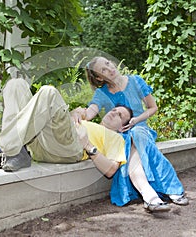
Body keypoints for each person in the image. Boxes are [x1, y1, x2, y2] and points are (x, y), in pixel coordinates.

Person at [0, 78, 172, 212]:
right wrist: (73, 114)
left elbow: (110, 170)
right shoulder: (87, 120)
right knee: (15, 85)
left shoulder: (116, 139)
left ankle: (3, 149)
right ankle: (17, 151)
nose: (113, 112)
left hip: (71, 147)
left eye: (120, 116)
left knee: (48, 92)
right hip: (43, 141)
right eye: (114, 110)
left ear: (123, 127)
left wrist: (88, 144)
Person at [74, 56, 189, 206]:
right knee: (125, 141)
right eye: (103, 70)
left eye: (108, 64)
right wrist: (78, 113)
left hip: (141, 129)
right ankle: (161, 192)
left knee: (136, 134)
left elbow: (152, 107)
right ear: (98, 78)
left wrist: (137, 120)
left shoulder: (135, 81)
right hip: (120, 134)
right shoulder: (101, 93)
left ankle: (160, 192)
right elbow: (90, 113)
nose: (110, 69)